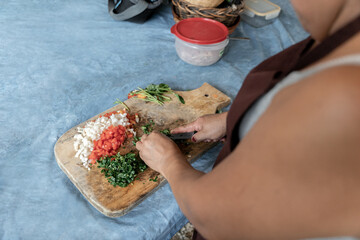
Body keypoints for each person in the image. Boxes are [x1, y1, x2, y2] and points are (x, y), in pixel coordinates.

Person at [136, 0, 360, 239]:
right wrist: (235, 119)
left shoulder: (343, 95)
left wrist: (169, 163)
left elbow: (218, 216)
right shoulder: (344, 40)